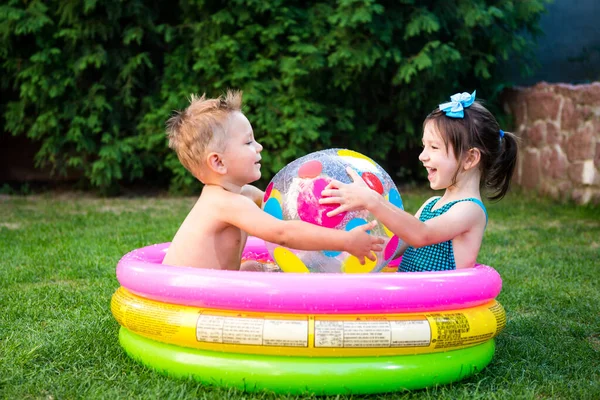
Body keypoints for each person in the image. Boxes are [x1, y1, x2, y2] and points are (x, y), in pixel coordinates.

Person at [162, 90, 384, 271]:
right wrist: (345, 241)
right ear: (218, 163)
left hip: (212, 286)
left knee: (253, 268)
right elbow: (283, 233)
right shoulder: (223, 203)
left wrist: (341, 200)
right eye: (248, 142)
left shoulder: (244, 195)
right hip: (183, 296)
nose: (259, 147)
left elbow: (290, 207)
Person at [319, 91, 518, 272]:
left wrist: (373, 200)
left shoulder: (470, 210)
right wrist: (351, 243)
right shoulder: (430, 205)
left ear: (470, 159)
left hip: (437, 304)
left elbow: (422, 235)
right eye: (424, 146)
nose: (422, 156)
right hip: (408, 299)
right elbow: (393, 248)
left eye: (434, 147)